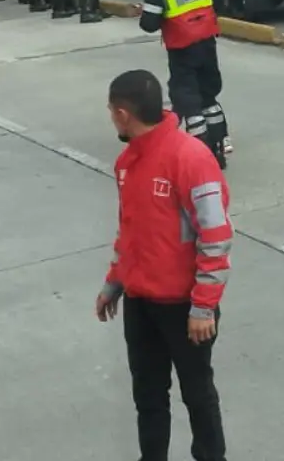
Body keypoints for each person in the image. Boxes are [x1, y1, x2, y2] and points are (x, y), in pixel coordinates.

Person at [96, 70, 231, 461]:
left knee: (198, 396)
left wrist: (203, 305)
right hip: (141, 303)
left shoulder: (190, 158)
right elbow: (131, 233)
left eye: (110, 111)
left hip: (185, 309)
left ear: (122, 114)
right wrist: (114, 283)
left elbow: (216, 235)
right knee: (149, 397)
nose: (110, 118)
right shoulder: (127, 163)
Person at [138, 0, 230, 163]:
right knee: (209, 96)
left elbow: (148, 25)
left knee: (188, 100)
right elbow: (221, 3)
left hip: (181, 50)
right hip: (207, 44)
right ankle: (220, 145)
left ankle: (200, 153)